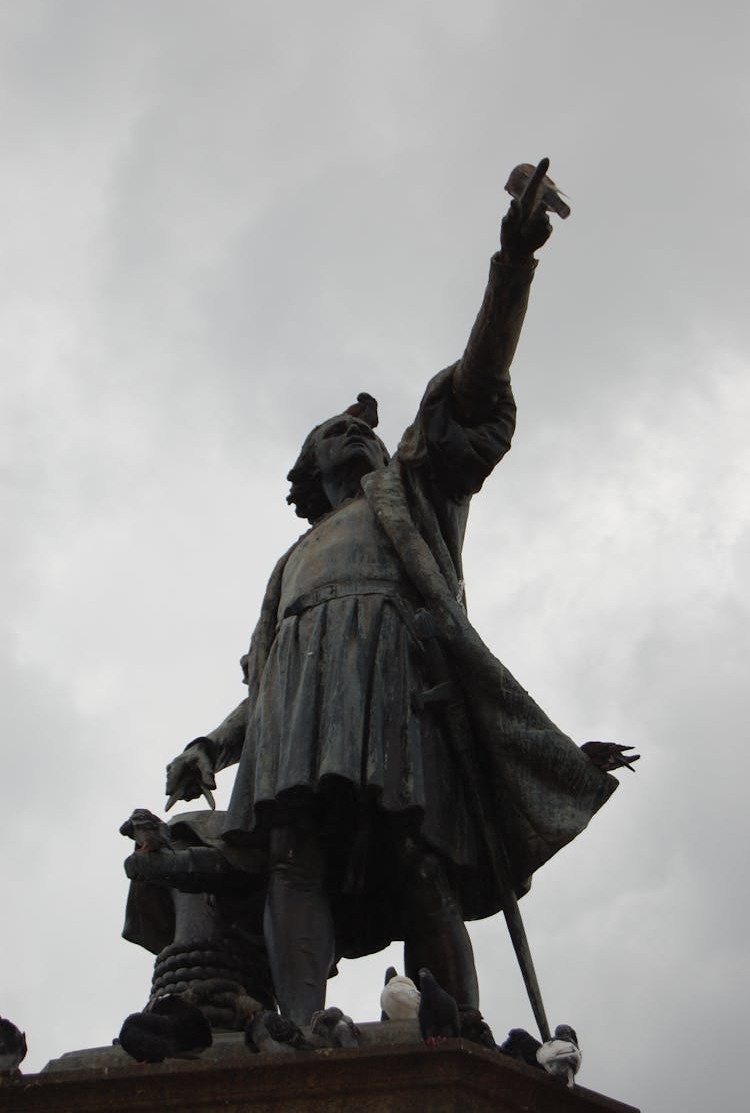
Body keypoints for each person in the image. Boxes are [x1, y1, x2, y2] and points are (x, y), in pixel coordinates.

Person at [165, 165, 618, 1025]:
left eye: (369, 431)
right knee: (293, 852)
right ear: (317, 466)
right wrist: (208, 748)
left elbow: (474, 385)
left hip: (399, 688)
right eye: (345, 432)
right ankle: (297, 1032)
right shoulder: (293, 562)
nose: (364, 437)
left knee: (421, 857)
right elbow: (262, 687)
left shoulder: (412, 492)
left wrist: (512, 263)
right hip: (301, 705)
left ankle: (457, 1034)